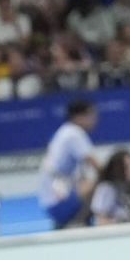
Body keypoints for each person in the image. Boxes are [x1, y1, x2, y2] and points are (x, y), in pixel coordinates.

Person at [36, 96, 96, 228]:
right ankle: (77, 223)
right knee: (97, 184)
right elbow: (96, 165)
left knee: (86, 181)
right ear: (79, 117)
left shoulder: (65, 131)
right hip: (56, 202)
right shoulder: (74, 134)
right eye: (92, 115)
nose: (95, 120)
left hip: (52, 197)